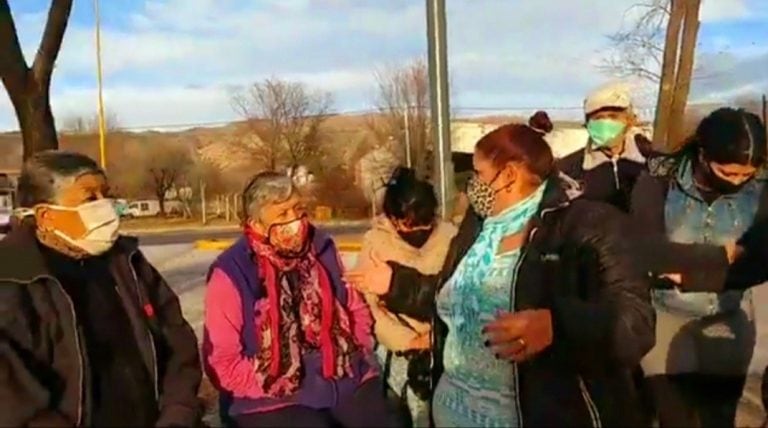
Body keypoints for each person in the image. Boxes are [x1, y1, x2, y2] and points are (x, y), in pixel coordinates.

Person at [346, 124, 655, 427]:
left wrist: (557, 327)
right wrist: (394, 282)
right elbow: (456, 296)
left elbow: (636, 323)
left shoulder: (587, 225)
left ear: (508, 175)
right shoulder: (478, 226)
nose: (472, 185)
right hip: (451, 410)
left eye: (478, 174)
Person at [0, 150, 202, 427]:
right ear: (46, 216)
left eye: (105, 195)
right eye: (89, 198)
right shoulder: (12, 277)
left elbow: (178, 342)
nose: (105, 207)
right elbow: (12, 398)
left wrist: (178, 415)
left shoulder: (128, 262)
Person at [203, 171, 400, 428]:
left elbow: (354, 308)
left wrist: (356, 351)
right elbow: (223, 361)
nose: (295, 220)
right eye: (282, 214)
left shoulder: (322, 248)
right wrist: (272, 381)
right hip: (270, 395)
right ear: (257, 224)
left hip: (343, 373)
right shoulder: (232, 271)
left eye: (298, 209)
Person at [630, 107, 767, 427]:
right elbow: (647, 251)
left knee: (718, 416)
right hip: (664, 316)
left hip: (729, 316)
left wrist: (688, 274)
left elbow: (760, 263)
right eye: (727, 172)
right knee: (672, 416)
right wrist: (724, 256)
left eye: (745, 175)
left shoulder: (761, 192)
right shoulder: (658, 183)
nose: (737, 182)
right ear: (703, 156)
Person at [357, 166, 458, 427]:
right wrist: (408, 340)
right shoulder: (375, 242)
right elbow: (370, 309)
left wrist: (438, 336)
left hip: (447, 351)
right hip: (399, 357)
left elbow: (460, 294)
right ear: (392, 218)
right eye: (407, 225)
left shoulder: (452, 237)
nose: (418, 232)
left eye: (425, 223)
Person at [558, 82, 653, 212]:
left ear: (629, 121)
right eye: (598, 118)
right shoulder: (568, 171)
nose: (605, 124)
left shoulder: (654, 164)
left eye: (613, 117)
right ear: (587, 124)